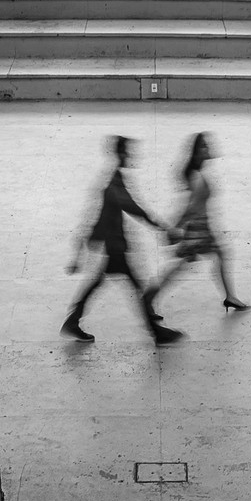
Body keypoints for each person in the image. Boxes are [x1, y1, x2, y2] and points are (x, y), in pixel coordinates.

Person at [61, 135, 184, 346]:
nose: (132, 155)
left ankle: (73, 321)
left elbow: (127, 208)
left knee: (101, 283)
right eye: (128, 151)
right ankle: (156, 332)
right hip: (115, 247)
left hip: (113, 246)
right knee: (138, 287)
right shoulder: (114, 186)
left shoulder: (115, 179)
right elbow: (135, 208)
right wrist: (163, 228)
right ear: (120, 153)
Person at [143, 132, 250, 320]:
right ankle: (149, 297)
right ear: (197, 152)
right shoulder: (197, 177)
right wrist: (176, 226)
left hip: (202, 227)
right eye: (204, 146)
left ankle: (230, 296)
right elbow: (192, 206)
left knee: (214, 256)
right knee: (185, 264)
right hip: (198, 230)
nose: (208, 149)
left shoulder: (196, 173)